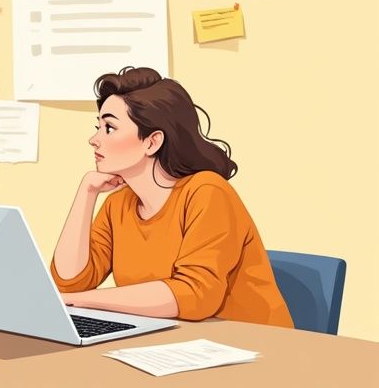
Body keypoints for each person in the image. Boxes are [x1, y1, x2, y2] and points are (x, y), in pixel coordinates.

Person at [51, 67, 292, 326]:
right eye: (97, 127)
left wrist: (81, 300)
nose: (94, 139)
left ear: (152, 142)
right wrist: (86, 193)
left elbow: (195, 295)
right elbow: (69, 283)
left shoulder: (207, 192)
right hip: (174, 337)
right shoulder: (118, 204)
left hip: (250, 341)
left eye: (109, 128)